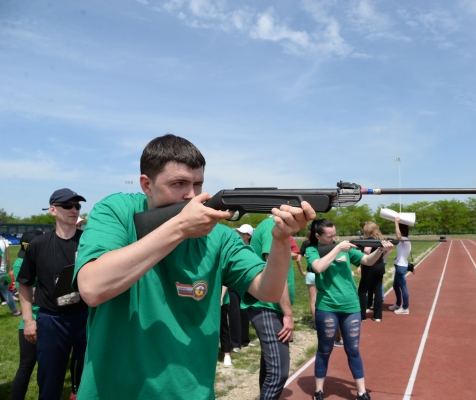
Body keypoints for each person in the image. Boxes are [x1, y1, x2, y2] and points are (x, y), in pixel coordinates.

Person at [73, 134, 315, 399]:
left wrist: (280, 240)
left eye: (198, 184)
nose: (192, 195)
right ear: (147, 184)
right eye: (179, 184)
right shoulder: (116, 210)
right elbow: (92, 287)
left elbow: (268, 291)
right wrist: (179, 228)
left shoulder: (220, 237)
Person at [305, 219, 393, 400]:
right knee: (324, 350)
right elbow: (318, 267)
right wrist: (338, 249)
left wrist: (381, 250)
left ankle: (361, 392)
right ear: (317, 236)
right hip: (327, 306)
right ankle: (319, 391)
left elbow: (367, 261)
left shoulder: (344, 249)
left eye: (334, 235)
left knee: (353, 349)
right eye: (329, 236)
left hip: (351, 307)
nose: (333, 238)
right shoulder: (312, 250)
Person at [18, 188, 88, 399]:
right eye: (67, 205)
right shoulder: (38, 245)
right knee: (49, 381)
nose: (74, 209)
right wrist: (29, 320)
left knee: (86, 379)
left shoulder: (88, 242)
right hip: (51, 322)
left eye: (77, 206)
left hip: (85, 318)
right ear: (52, 210)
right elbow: (24, 283)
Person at [243, 216, 296, 400]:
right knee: (278, 372)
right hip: (266, 305)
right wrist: (288, 314)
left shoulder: (275, 227)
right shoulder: (273, 226)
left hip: (269, 306)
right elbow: (273, 271)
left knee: (270, 367)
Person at [11, 229, 43, 400]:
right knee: (26, 367)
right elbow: (27, 295)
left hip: (46, 319)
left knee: (44, 368)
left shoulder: (45, 260)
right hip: (30, 321)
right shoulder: (19, 264)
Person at [357, 222, 392, 322]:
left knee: (362, 292)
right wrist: (380, 259)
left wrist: (363, 256)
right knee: (377, 291)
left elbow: (367, 251)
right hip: (380, 267)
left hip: (369, 267)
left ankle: (362, 316)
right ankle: (377, 316)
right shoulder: (381, 240)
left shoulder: (369, 240)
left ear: (368, 231)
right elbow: (389, 250)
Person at [229, 224, 254, 353]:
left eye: (242, 233)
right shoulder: (234, 247)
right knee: (234, 313)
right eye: (238, 232)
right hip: (233, 285)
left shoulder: (250, 249)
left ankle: (245, 339)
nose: (239, 235)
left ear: (248, 236)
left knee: (244, 312)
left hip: (245, 285)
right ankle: (235, 343)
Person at [389, 216, 411, 315]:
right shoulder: (404, 240)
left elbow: (398, 236)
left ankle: (405, 307)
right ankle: (398, 304)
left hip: (401, 267)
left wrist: (396, 223)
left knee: (403, 287)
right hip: (399, 265)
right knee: (395, 286)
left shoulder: (405, 239)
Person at [298, 229, 317, 327]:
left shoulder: (306, 243)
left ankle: (315, 323)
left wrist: (302, 272)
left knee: (313, 300)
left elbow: (298, 259)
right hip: (322, 273)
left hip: (310, 273)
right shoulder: (322, 242)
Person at [1, 235, 21, 316]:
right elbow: (8, 259)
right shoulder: (4, 242)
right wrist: (7, 270)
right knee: (6, 292)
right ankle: (15, 311)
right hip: (2, 271)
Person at [220, 286, 233, 368]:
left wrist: (221, 296)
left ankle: (227, 354)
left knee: (223, 325)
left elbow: (225, 282)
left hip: (222, 299)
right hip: (205, 299)